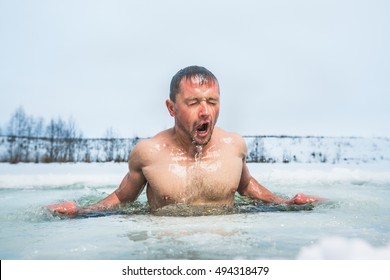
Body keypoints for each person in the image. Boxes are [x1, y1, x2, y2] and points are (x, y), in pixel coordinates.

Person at [47, 66, 325, 217]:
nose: (205, 111)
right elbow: (123, 198)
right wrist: (82, 211)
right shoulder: (148, 153)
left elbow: (246, 186)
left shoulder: (234, 146)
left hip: (224, 249)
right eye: (193, 102)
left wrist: (286, 202)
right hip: (166, 250)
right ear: (171, 108)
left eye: (212, 102)